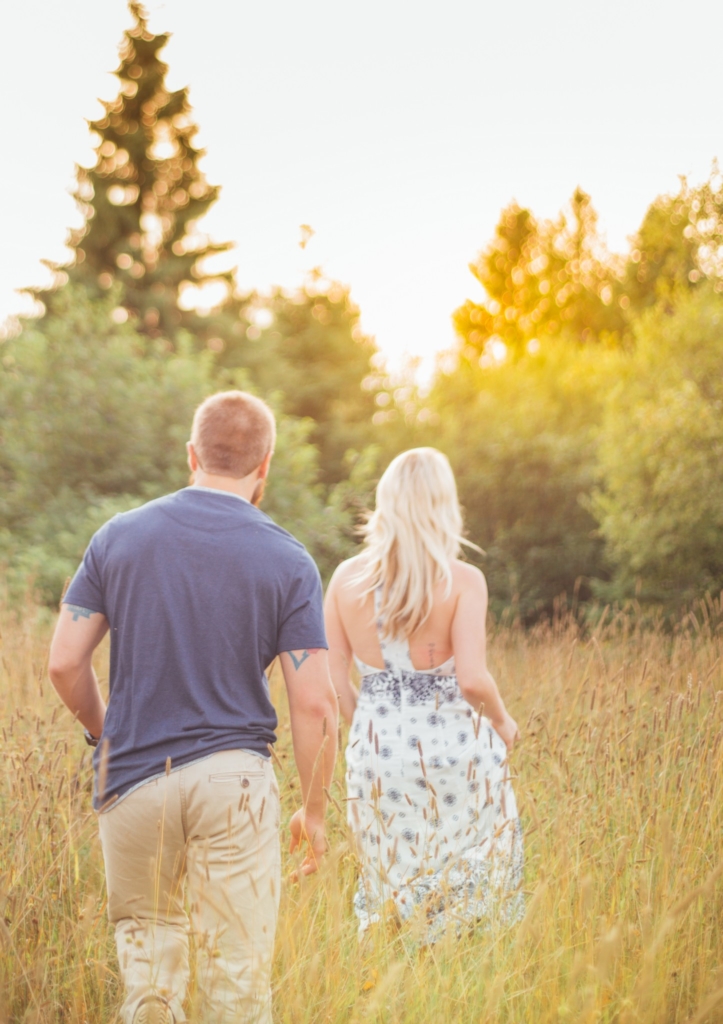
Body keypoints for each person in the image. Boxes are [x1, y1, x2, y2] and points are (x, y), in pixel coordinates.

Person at [48, 391, 338, 1024]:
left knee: (149, 976)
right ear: (266, 466)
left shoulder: (117, 537)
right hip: (233, 783)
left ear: (192, 454)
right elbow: (315, 702)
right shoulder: (289, 560)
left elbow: (64, 663)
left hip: (129, 780)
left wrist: (108, 733)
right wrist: (313, 810)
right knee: (236, 983)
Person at [324, 448, 523, 940]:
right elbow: (473, 679)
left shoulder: (345, 580)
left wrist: (367, 727)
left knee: (392, 878)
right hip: (454, 753)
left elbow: (331, 680)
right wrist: (502, 721)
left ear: (385, 503)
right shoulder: (463, 580)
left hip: (375, 754)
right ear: (443, 505)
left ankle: (398, 971)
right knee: (477, 875)